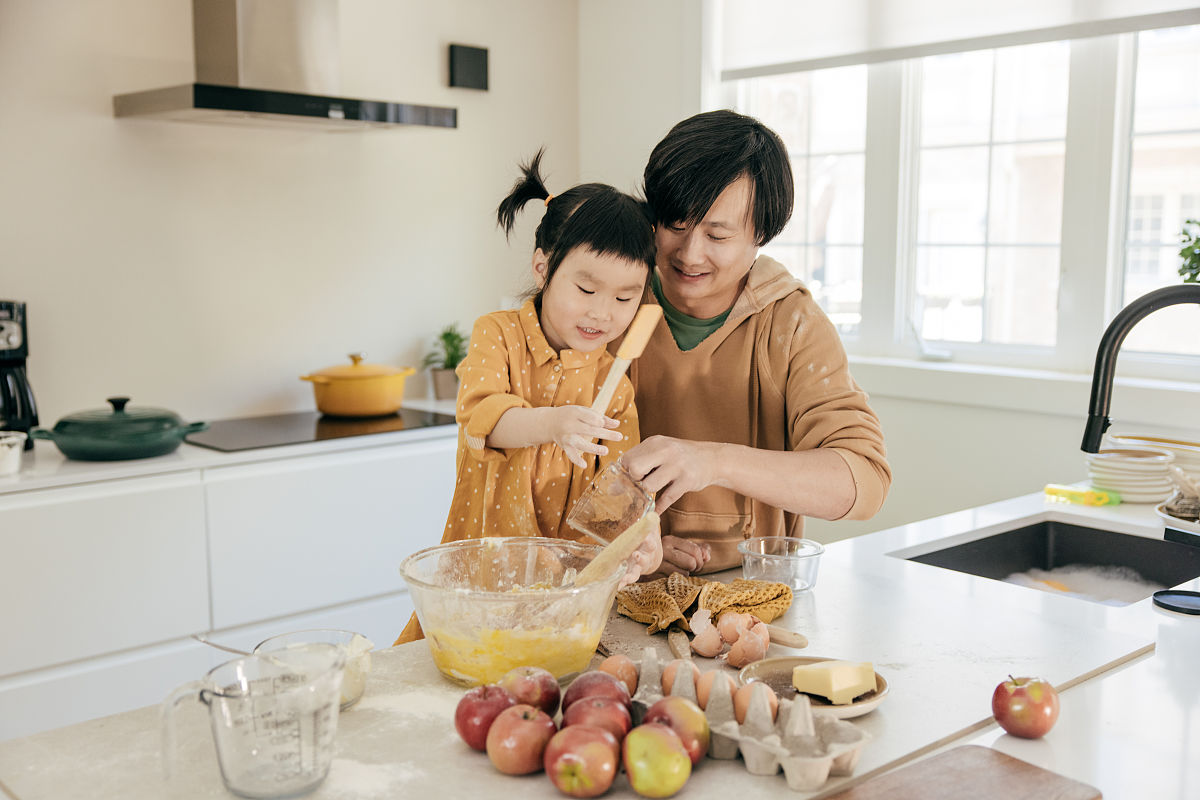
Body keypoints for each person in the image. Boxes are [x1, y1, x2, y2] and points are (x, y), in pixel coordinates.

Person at [394, 150, 663, 645]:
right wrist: (552, 424)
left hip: (564, 595)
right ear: (543, 267)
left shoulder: (616, 385)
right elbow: (482, 418)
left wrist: (640, 538)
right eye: (586, 289)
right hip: (483, 574)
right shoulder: (496, 334)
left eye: (625, 298)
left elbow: (619, 492)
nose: (603, 313)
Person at [619, 110, 892, 576]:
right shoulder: (614, 301)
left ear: (760, 234)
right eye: (675, 225)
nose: (690, 253)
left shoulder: (791, 324)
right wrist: (630, 544)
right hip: (618, 589)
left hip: (751, 594)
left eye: (717, 235)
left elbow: (862, 481)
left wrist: (715, 461)